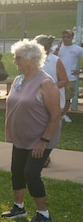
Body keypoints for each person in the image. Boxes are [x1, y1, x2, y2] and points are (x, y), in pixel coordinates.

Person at [1, 39, 62, 222]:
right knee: (17, 171)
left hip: (40, 138)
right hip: (21, 137)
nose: (15, 61)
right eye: (15, 57)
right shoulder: (19, 80)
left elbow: (56, 115)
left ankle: (44, 215)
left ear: (32, 59)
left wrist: (43, 140)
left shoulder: (45, 83)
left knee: (31, 173)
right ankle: (19, 207)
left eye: (18, 58)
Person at [35, 35, 68, 168]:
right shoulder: (34, 61)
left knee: (50, 125)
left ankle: (46, 154)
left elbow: (64, 80)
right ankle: (38, 152)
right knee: (38, 126)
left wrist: (50, 88)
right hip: (38, 100)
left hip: (53, 99)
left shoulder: (55, 61)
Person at [52, 28, 83, 122]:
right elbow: (51, 58)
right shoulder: (56, 48)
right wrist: (58, 48)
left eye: (68, 37)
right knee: (55, 97)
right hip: (57, 78)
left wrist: (80, 70)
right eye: (64, 37)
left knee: (67, 97)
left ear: (72, 38)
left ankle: (64, 115)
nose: (65, 39)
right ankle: (55, 114)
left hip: (70, 78)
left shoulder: (77, 49)